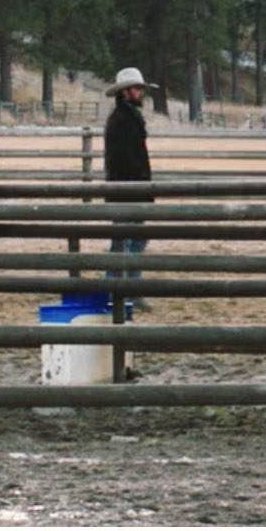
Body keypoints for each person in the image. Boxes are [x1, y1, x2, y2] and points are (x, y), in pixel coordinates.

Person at [103, 66, 155, 372]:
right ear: (126, 92)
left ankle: (128, 291)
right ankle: (119, 292)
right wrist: (138, 184)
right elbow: (126, 160)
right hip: (128, 191)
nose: (139, 93)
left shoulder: (124, 118)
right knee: (127, 241)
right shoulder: (124, 120)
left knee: (132, 239)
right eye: (136, 89)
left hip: (129, 190)